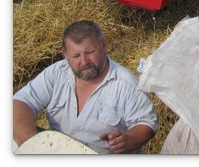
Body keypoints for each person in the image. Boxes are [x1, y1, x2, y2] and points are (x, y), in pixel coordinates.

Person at [13, 20, 158, 154]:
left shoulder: (127, 84)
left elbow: (146, 124)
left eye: (90, 52)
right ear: (65, 54)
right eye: (75, 56)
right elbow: (20, 102)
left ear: (104, 45)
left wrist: (128, 139)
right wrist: (31, 145)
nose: (84, 61)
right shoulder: (57, 72)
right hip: (57, 148)